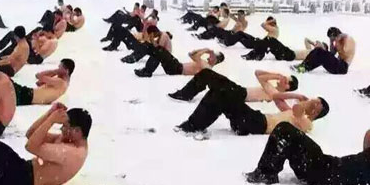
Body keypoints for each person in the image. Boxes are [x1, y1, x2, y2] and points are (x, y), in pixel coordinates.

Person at [245, 127, 370, 185]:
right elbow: (369, 134)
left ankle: (266, 173)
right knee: (285, 132)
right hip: (324, 164)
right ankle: (266, 171)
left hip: (322, 173)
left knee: (286, 131)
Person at [176, 86, 329, 136]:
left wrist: (308, 102)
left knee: (223, 94)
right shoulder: (295, 113)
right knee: (221, 92)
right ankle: (195, 124)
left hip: (258, 125)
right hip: (255, 119)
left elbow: (297, 110)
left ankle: (194, 125)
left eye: (317, 105)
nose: (313, 103)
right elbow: (276, 97)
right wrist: (296, 95)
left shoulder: (307, 123)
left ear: (317, 112)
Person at [168, 68, 298, 103]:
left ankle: (185, 94)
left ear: (287, 87)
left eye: (285, 81)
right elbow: (257, 72)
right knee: (208, 75)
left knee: (208, 74)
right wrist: (276, 74)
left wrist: (275, 76)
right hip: (239, 91)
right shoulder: (272, 89)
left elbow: (260, 77)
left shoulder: (273, 92)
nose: (282, 80)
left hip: (240, 94)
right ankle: (186, 93)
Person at [134, 46, 224, 77]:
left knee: (160, 51)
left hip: (176, 69)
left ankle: (147, 71)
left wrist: (205, 50)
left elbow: (195, 56)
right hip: (177, 66)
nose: (210, 55)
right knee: (159, 51)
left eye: (212, 55)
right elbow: (191, 54)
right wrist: (204, 50)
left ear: (216, 60)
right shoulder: (204, 63)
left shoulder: (207, 67)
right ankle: (147, 70)